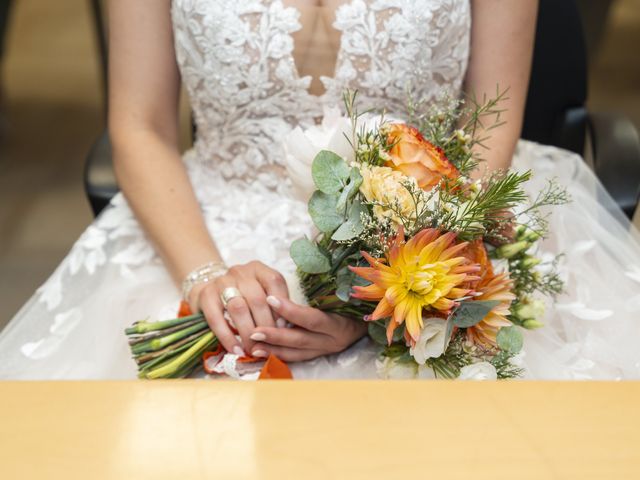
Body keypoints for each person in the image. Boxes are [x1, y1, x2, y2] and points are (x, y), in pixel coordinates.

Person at [1, 0, 639, 379]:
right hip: (204, 224)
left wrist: (375, 306)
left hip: (431, 230)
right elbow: (138, 125)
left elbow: (486, 124)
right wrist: (204, 275)